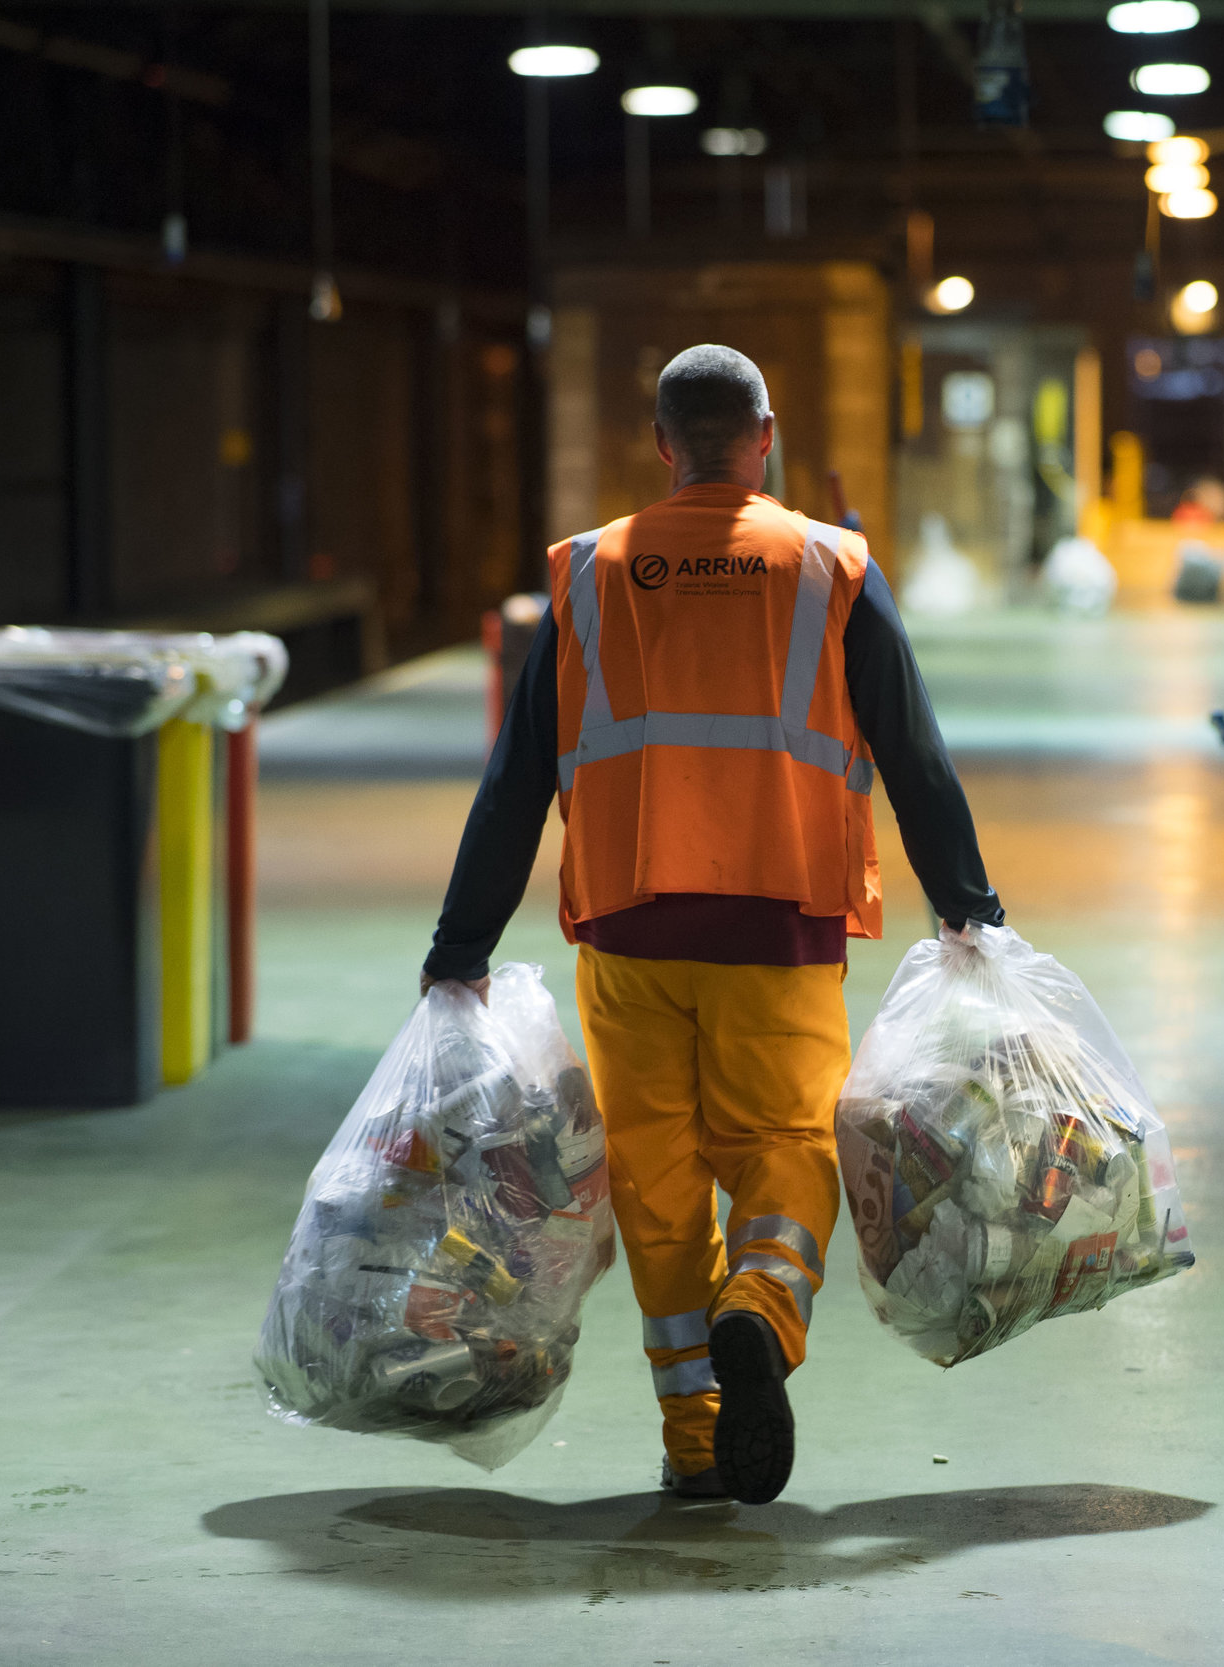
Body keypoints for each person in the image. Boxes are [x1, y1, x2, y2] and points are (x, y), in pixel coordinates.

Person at [419, 345, 1003, 1505]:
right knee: (786, 1144)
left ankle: (695, 1437)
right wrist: (969, 908)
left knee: (657, 1179)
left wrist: (461, 945)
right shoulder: (830, 566)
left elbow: (515, 779)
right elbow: (913, 753)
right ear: (766, 434)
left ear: (660, 443)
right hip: (778, 928)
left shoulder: (587, 575)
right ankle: (766, 1303)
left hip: (629, 931)